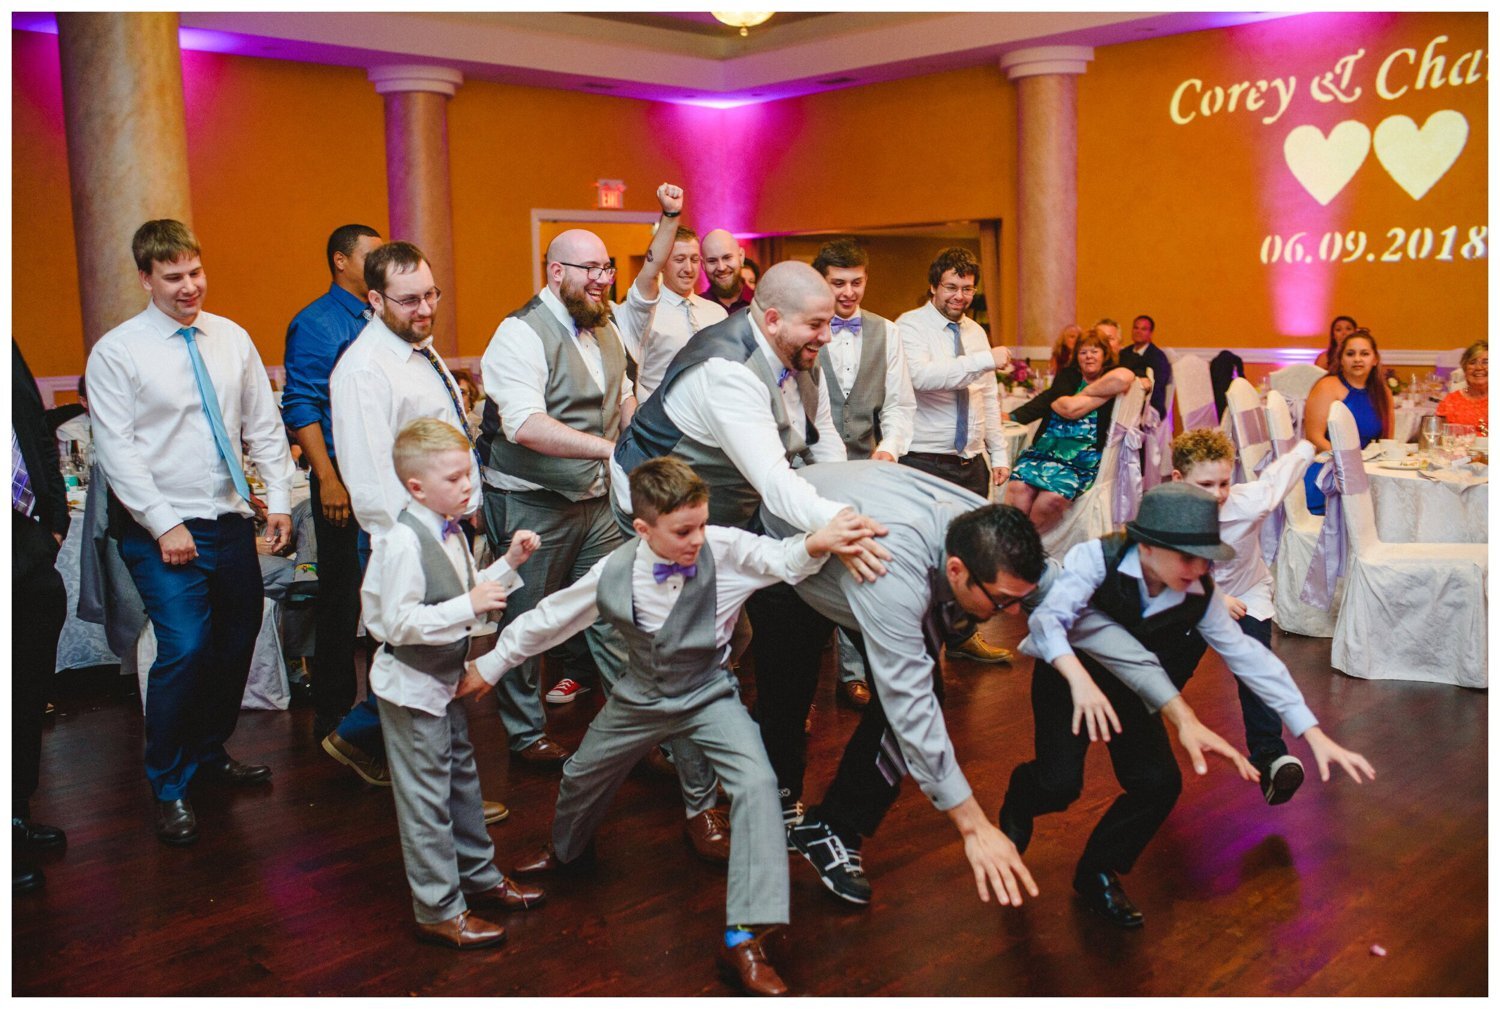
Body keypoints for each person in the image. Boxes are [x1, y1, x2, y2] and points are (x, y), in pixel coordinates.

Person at [464, 458, 869, 994]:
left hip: (708, 692)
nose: (697, 539)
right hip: (640, 694)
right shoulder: (612, 570)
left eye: (702, 523)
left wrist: (819, 540)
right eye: (683, 530)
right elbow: (549, 617)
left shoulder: (722, 547)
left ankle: (745, 940)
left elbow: (781, 559)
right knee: (582, 772)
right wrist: (489, 666)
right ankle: (568, 854)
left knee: (757, 784)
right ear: (642, 528)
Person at [1004, 483, 1375, 927]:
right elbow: (1049, 621)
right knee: (1060, 785)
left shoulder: (1197, 589)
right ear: (1145, 546)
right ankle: (1019, 803)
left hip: (1136, 690)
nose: (1199, 568)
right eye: (1187, 556)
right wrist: (1079, 679)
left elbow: (1249, 658)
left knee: (1159, 784)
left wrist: (1310, 731)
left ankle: (1098, 870)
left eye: (1206, 559)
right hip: (1068, 678)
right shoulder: (1094, 559)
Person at [612, 260, 892, 837]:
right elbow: (774, 478)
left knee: (735, 637)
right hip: (661, 513)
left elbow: (817, 441)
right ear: (771, 318)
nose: (826, 334)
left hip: (725, 507)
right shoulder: (729, 372)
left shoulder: (793, 354)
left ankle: (656, 731)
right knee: (694, 647)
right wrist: (839, 523)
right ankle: (699, 805)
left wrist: (849, 493)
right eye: (816, 324)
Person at [87, 219, 295, 845]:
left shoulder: (230, 338)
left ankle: (208, 751)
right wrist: (163, 523)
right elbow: (116, 451)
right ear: (146, 279)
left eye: (195, 273)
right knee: (184, 647)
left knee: (237, 640)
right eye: (173, 277)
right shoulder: (117, 352)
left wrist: (279, 498)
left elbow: (262, 425)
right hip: (161, 530)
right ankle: (169, 783)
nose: (188, 287)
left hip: (229, 520)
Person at [760, 461, 1040, 908]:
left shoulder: (983, 528)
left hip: (860, 552)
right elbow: (911, 708)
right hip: (787, 552)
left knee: (918, 694)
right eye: (1002, 601)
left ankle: (832, 826)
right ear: (955, 570)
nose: (1011, 614)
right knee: (789, 694)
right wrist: (974, 825)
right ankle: (780, 800)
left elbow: (1058, 586)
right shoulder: (892, 573)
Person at [327, 241, 506, 823]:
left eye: (431, 294)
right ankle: (430, 791)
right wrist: (401, 548)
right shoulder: (363, 370)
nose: (426, 309)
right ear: (375, 299)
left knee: (435, 657)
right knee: (421, 659)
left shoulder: (419, 350)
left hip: (442, 529)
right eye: (409, 300)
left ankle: (408, 766)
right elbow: (370, 476)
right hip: (404, 538)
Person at [364, 419, 545, 949]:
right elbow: (393, 624)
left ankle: (482, 879)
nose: (467, 487)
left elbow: (467, 594)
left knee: (462, 783)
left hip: (447, 681)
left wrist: (510, 565)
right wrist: (469, 605)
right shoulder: (399, 542)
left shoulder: (451, 529)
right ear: (416, 487)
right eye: (454, 479)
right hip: (413, 685)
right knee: (426, 801)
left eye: (469, 475)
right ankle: (438, 909)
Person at [477, 222, 643, 774]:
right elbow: (523, 425)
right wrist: (606, 450)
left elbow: (623, 395)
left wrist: (634, 435)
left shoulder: (606, 327)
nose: (602, 280)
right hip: (533, 501)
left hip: (596, 503)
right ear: (556, 272)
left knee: (611, 610)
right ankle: (525, 734)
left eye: (606, 269)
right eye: (590, 270)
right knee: (528, 618)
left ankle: (630, 729)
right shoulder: (520, 332)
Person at [1171, 427, 1316, 802]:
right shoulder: (1165, 513)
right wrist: (1213, 597)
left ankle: (1271, 759)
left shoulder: (1250, 501)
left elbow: (1279, 476)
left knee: (1256, 669)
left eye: (1224, 482)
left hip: (1247, 593)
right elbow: (1169, 567)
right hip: (1186, 596)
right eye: (1205, 484)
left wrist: (1309, 444)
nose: (1218, 494)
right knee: (1169, 673)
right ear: (1177, 480)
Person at [282, 223, 384, 744]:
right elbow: (301, 405)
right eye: (372, 253)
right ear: (341, 261)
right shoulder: (318, 323)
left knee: (390, 595)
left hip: (389, 479)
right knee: (342, 601)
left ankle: (386, 710)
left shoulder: (383, 315)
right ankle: (334, 714)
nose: (381, 259)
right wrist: (327, 479)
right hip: (342, 480)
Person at [811, 238, 916, 708]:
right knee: (810, 572)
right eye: (838, 284)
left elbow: (899, 405)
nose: (849, 293)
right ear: (822, 283)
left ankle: (853, 674)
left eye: (856, 282)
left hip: (868, 467)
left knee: (861, 567)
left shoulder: (887, 333)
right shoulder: (805, 329)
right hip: (811, 469)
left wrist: (889, 450)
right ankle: (802, 692)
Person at [896, 247, 1014, 663]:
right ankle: (920, 643)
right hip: (926, 458)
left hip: (971, 460)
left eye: (967, 288)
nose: (959, 296)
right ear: (933, 286)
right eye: (951, 287)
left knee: (971, 552)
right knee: (927, 554)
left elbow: (986, 395)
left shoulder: (975, 332)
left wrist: (997, 453)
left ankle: (962, 637)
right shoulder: (909, 326)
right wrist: (985, 360)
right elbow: (922, 377)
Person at [13, 341, 71, 891]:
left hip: (28, 543)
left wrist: (54, 522)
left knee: (25, 693)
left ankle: (16, 814)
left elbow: (35, 428)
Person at [611, 187, 728, 405]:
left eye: (694, 260)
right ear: (663, 264)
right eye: (679, 259)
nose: (688, 268)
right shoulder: (646, 312)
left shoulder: (716, 313)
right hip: (660, 417)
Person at [1005, 329, 1129, 533]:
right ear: (1076, 357)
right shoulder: (1068, 376)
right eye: (1083, 352)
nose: (1089, 356)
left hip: (1081, 459)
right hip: (1047, 450)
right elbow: (1066, 408)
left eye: (1094, 351)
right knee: (1018, 487)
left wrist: (1084, 394)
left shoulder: (1112, 374)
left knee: (1052, 498)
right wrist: (1101, 395)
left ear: (1105, 354)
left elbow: (1124, 378)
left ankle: (1025, 543)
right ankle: (1012, 541)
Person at [1301, 328, 1391, 515]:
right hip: (1328, 471)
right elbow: (1314, 436)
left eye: (1364, 354)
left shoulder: (1384, 393)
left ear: (1374, 360)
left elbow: (1387, 441)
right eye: (1351, 354)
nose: (1358, 359)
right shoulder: (1327, 386)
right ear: (1341, 359)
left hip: (1368, 472)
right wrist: (1348, 463)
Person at [1117, 315, 1173, 418]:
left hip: (1148, 407)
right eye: (1136, 328)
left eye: (1143, 329)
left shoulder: (1158, 357)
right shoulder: (1123, 354)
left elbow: (1158, 386)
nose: (1138, 331)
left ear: (1150, 333)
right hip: (1121, 402)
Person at [1436, 339, 1488, 429]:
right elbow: (1439, 437)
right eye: (1472, 362)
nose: (1479, 367)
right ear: (1464, 369)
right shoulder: (1450, 402)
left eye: (1486, 362)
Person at [700, 229, 753, 315]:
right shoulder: (695, 310)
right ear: (703, 265)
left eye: (727, 258)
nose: (721, 267)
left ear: (741, 257)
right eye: (712, 261)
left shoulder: (762, 303)